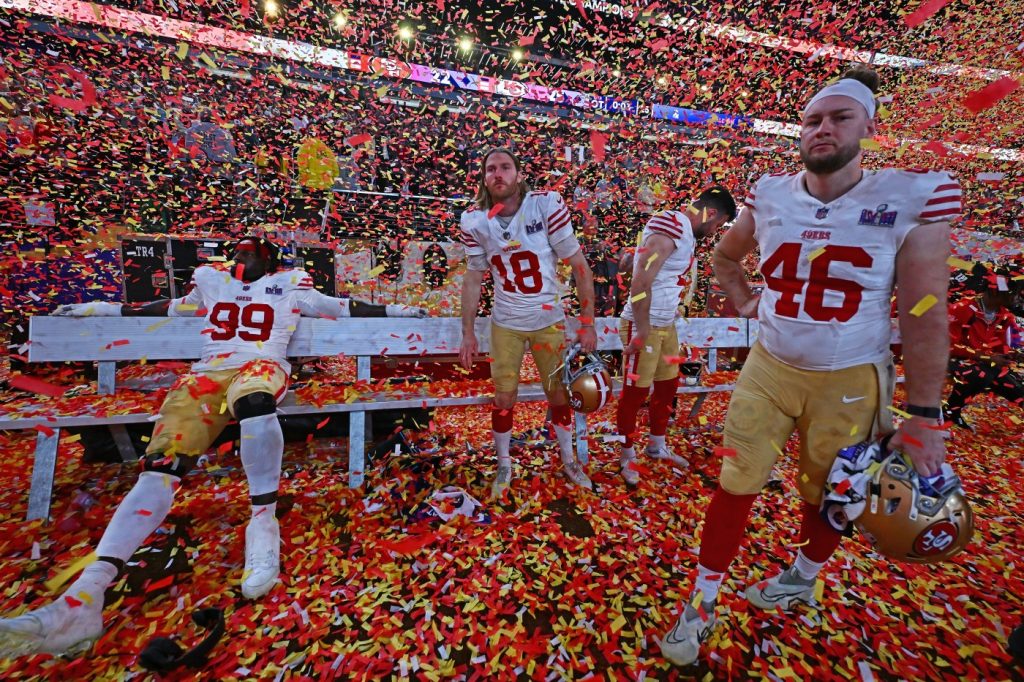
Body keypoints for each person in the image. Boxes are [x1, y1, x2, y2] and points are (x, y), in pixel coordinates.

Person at [660, 66, 961, 667]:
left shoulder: (907, 195)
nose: (822, 129)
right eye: (812, 120)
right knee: (734, 479)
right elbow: (724, 256)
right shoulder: (770, 194)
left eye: (839, 117)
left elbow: (925, 311)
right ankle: (701, 601)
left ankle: (801, 576)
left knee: (829, 493)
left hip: (851, 374)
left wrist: (926, 414)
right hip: (770, 365)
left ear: (868, 127)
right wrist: (746, 300)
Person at [0, 236, 426, 658]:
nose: (238, 257)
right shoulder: (211, 281)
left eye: (249, 252)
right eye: (236, 251)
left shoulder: (289, 285)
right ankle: (85, 595)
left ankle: (263, 523)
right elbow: (162, 308)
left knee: (255, 402)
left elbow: (342, 307)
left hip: (260, 366)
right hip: (208, 372)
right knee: (161, 465)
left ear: (269, 261)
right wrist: (97, 309)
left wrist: (401, 310)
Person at [458, 147, 598, 497]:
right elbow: (474, 279)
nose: (498, 174)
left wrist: (588, 321)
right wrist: (467, 333)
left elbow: (579, 265)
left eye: (505, 167)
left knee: (559, 396)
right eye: (491, 169)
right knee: (504, 398)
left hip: (547, 320)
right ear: (483, 177)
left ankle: (568, 460)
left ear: (519, 174)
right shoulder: (474, 220)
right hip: (506, 321)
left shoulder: (545, 205)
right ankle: (504, 465)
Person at [617, 187, 736, 486]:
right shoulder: (672, 223)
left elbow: (649, 266)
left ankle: (656, 445)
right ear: (710, 214)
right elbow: (641, 280)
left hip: (664, 323)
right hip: (643, 322)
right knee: (635, 394)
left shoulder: (680, 229)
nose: (714, 232)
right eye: (718, 224)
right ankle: (626, 455)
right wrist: (642, 329)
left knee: (667, 387)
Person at [944, 263, 1023, 430]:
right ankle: (950, 412)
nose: (1017, 298)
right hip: (950, 360)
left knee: (1018, 390)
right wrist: (984, 356)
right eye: (1013, 293)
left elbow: (999, 348)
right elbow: (946, 346)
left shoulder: (1005, 316)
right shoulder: (962, 309)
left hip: (984, 363)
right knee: (980, 374)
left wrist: (1012, 355)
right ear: (995, 291)